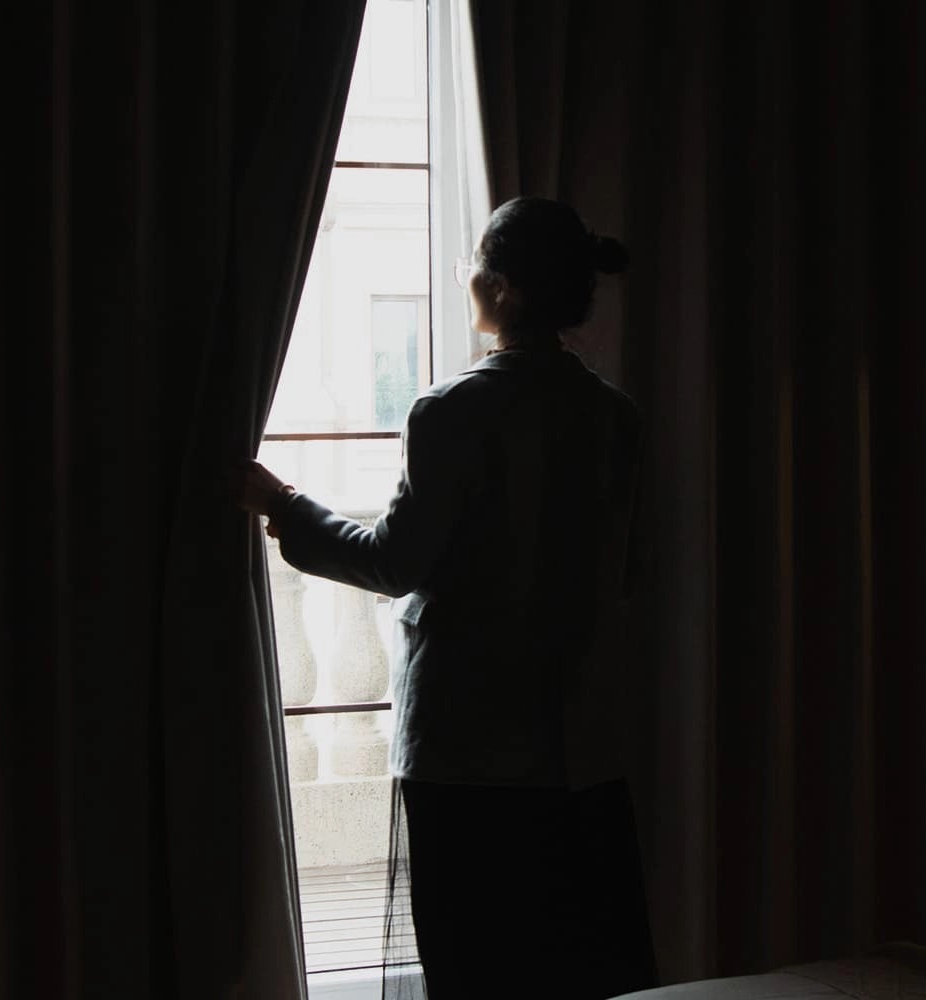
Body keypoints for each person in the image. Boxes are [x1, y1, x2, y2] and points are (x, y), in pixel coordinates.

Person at [242, 197, 655, 999]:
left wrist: (284, 506)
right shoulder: (615, 418)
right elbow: (624, 574)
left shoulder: (452, 410)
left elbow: (395, 561)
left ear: (503, 288)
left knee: (473, 966)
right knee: (572, 969)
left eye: (475, 260)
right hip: (581, 751)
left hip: (468, 750)